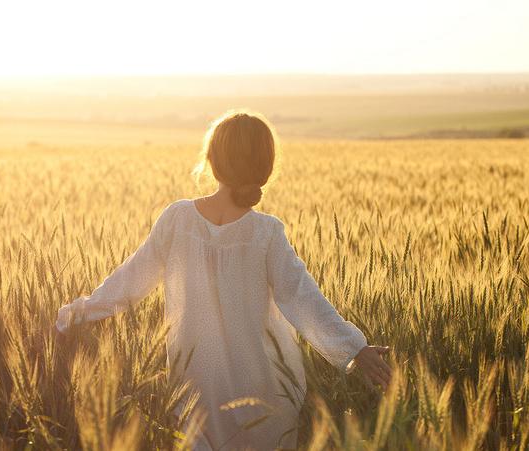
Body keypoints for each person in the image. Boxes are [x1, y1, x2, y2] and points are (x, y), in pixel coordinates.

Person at [55, 109, 392, 450]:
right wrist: (354, 349)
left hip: (195, 388)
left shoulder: (178, 220)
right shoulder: (265, 233)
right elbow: (304, 300)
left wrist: (71, 316)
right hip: (264, 391)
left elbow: (128, 282)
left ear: (212, 160)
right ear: (265, 167)